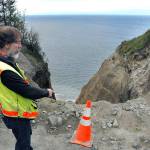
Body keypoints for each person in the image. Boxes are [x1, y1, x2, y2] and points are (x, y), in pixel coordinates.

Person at [0, 26, 55, 150]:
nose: (20, 46)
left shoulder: (6, 62)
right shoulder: (6, 71)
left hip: (10, 111)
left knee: (22, 137)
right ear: (7, 44)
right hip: (16, 114)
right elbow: (27, 91)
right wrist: (46, 92)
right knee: (23, 142)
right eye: (18, 42)